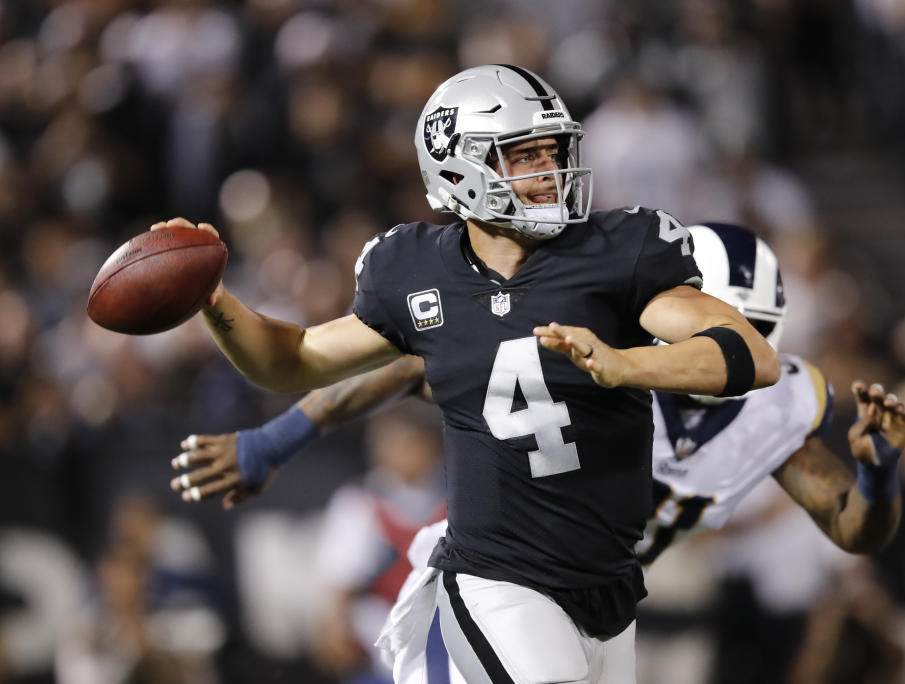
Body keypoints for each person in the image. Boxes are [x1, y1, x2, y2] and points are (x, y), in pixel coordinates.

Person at [156, 64, 780, 682]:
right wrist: (215, 301)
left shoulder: (615, 253)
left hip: (609, 590)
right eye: (524, 155)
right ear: (458, 171)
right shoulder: (416, 272)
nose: (550, 172)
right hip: (499, 581)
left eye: (553, 151)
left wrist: (627, 364)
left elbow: (750, 352)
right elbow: (292, 360)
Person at [170, 222, 905, 682]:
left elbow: (851, 526)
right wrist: (273, 441)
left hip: (596, 609)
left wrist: (875, 475)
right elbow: (404, 366)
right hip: (497, 585)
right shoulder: (576, 344)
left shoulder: (774, 404)